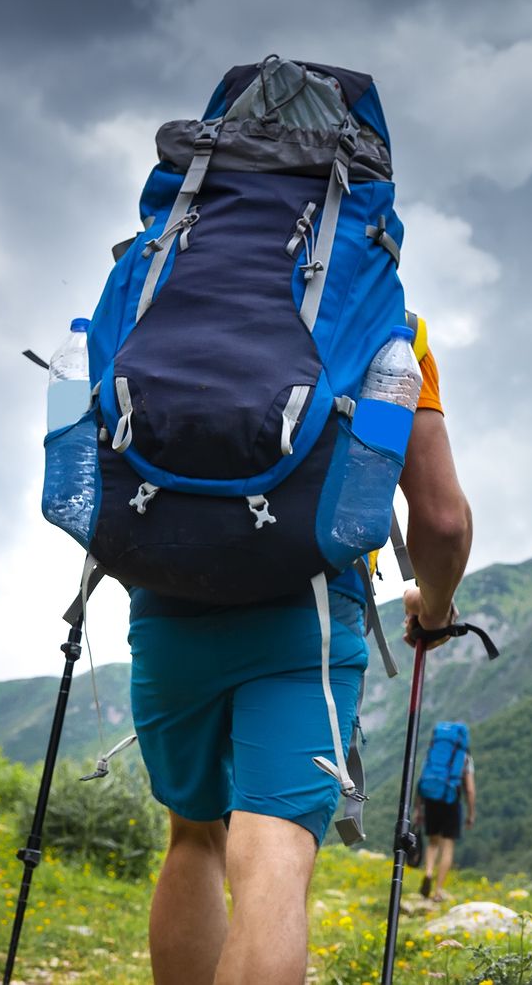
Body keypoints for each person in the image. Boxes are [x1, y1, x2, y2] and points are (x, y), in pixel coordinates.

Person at [128, 319, 473, 985]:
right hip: (306, 604)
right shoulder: (390, 322)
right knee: (277, 849)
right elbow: (443, 520)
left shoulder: (163, 287)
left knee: (193, 833)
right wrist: (432, 611)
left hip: (166, 587)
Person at [414, 729, 476, 902]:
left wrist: (418, 809)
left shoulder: (433, 754)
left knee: (433, 843)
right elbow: (470, 790)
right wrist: (471, 813)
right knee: (447, 846)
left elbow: (421, 781)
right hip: (451, 802)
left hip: (431, 800)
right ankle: (438, 890)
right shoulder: (464, 757)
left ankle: (428, 873)